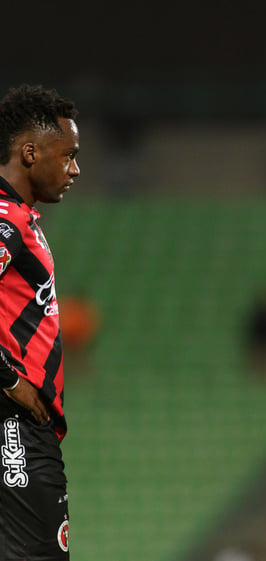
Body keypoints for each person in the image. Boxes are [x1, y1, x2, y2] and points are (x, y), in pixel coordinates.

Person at [0, 84, 81, 559]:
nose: (75, 169)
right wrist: (9, 379)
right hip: (14, 426)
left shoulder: (19, 218)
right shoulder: (5, 220)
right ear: (30, 152)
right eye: (68, 155)